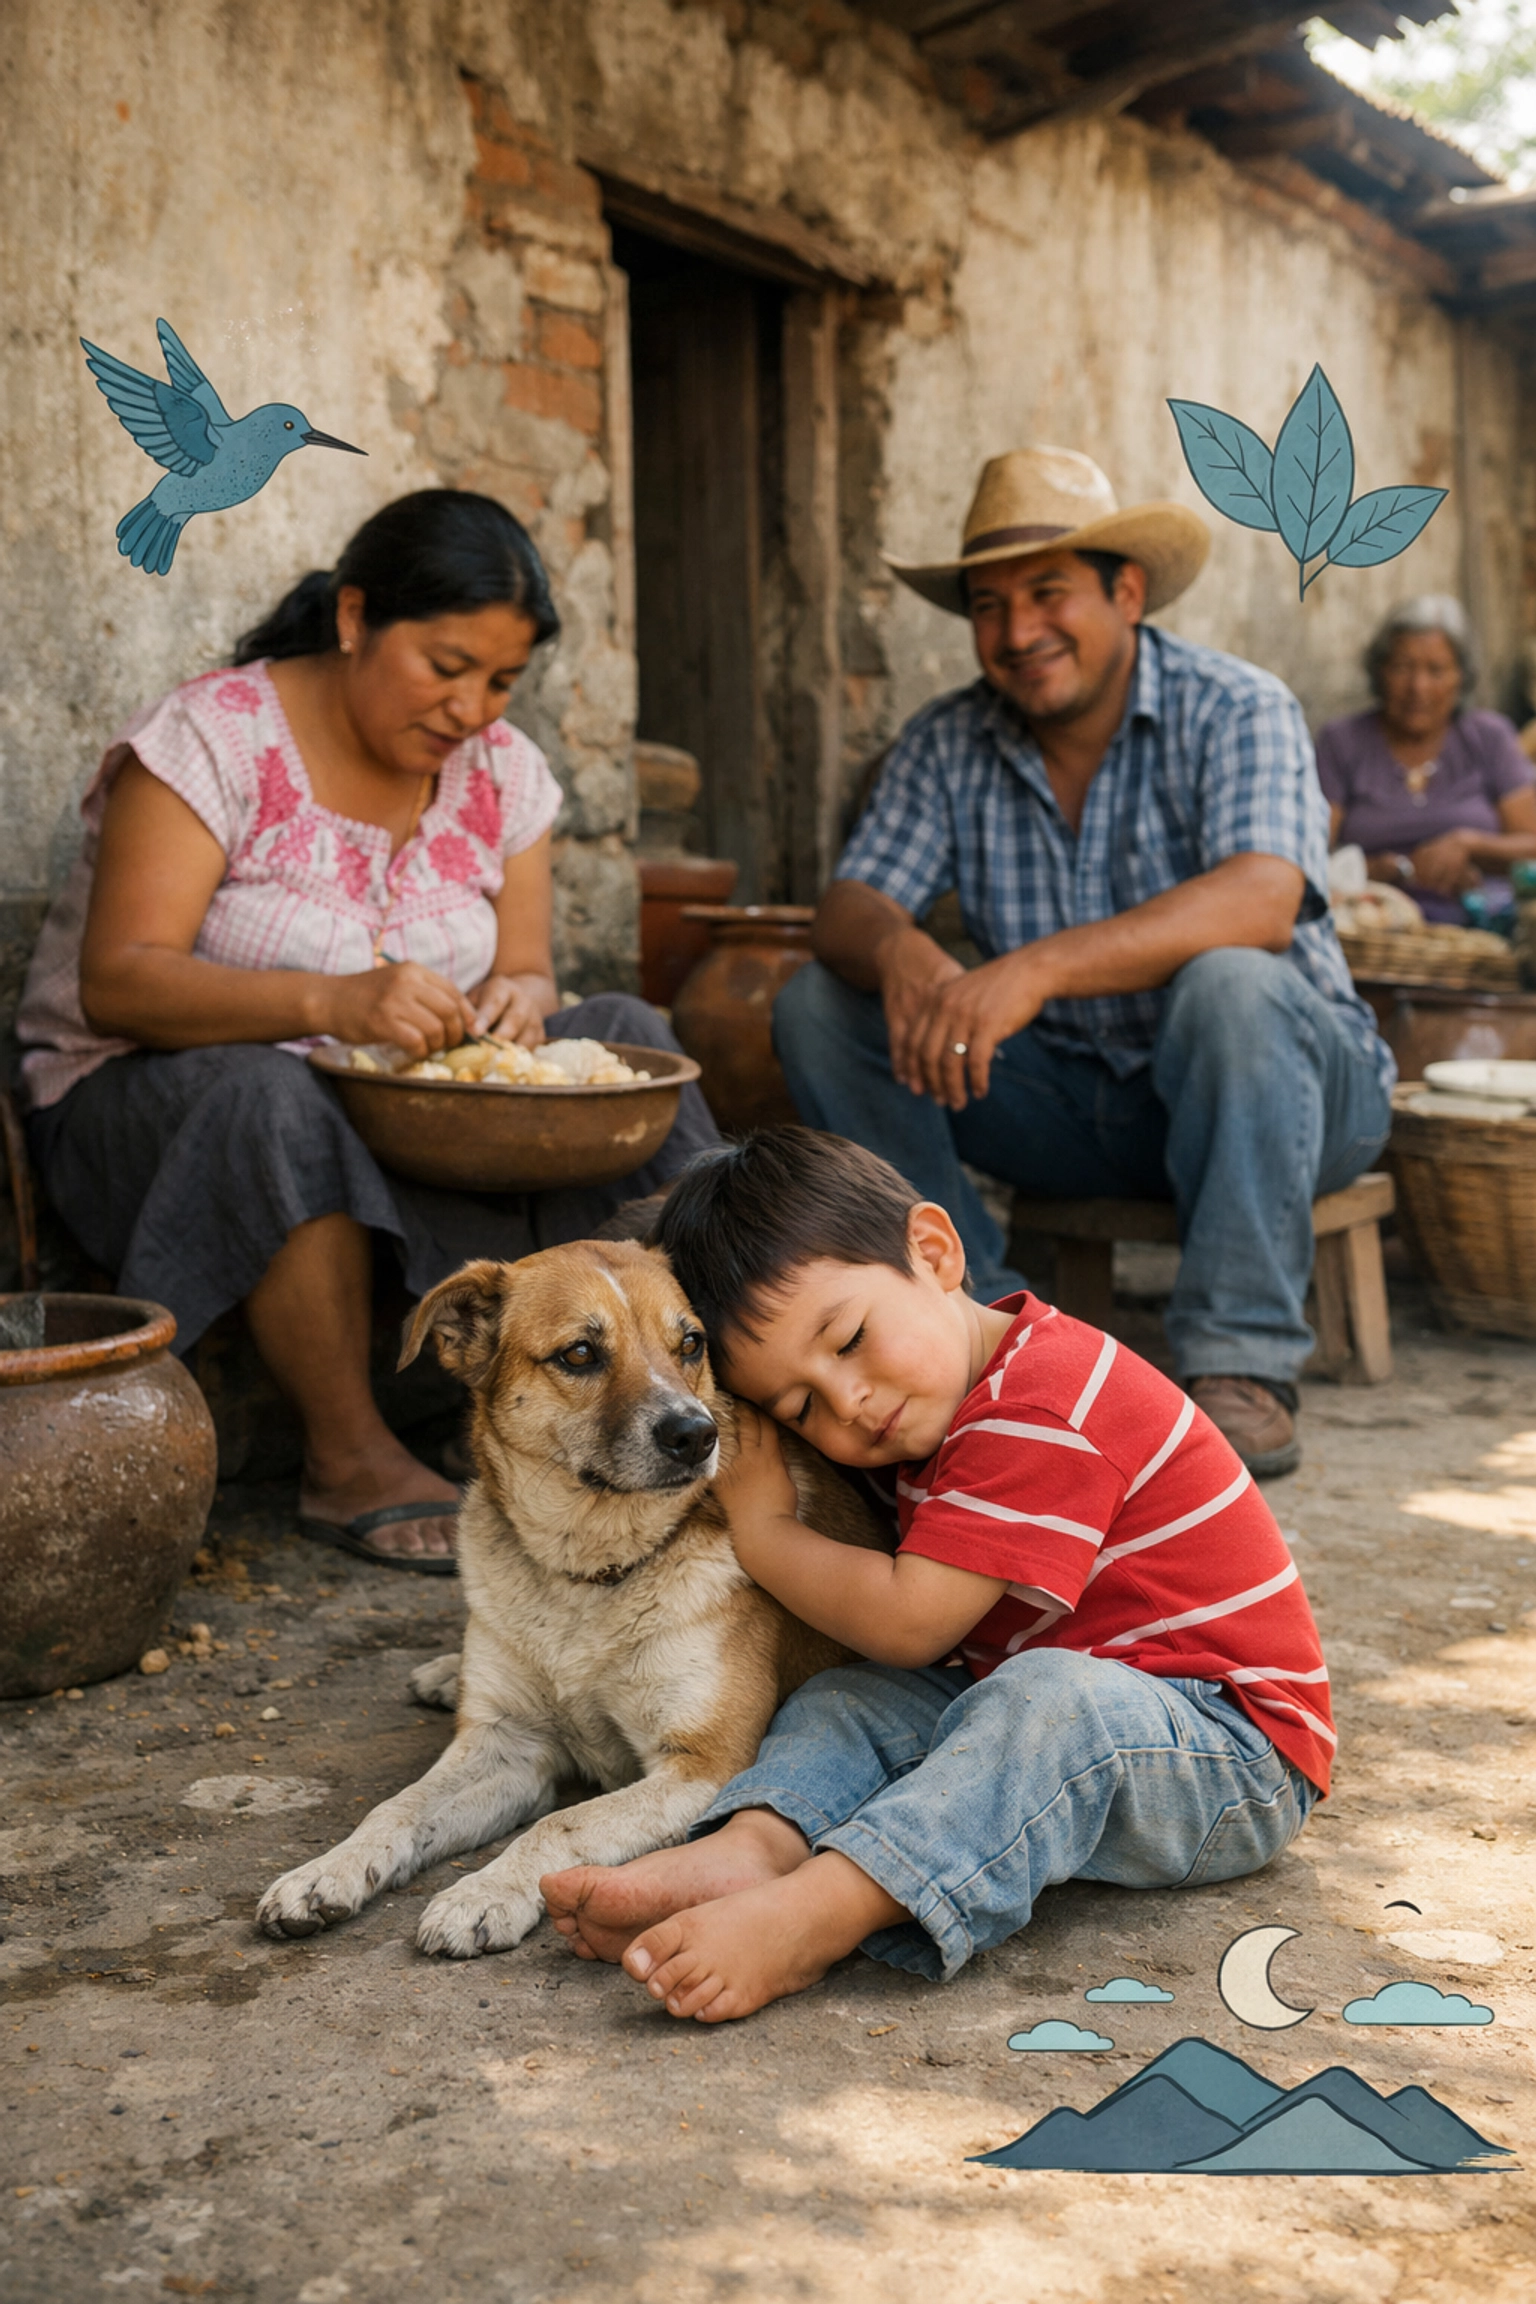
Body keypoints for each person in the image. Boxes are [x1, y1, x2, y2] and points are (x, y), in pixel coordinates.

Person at [17, 490, 718, 1570]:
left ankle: (721, 1383)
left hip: (404, 1110)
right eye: (446, 666)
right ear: (354, 618)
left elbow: (529, 964)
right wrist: (332, 1001)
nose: (472, 708)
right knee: (270, 1091)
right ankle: (348, 1454)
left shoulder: (500, 775)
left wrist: (521, 999)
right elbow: (118, 982)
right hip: (157, 1108)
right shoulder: (212, 738)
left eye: (500, 681)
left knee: (624, 1030)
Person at [540, 1129, 1328, 2023]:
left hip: (1228, 1751)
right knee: (854, 1695)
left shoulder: (1044, 1405)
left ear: (935, 1252)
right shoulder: (934, 1396)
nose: (850, 1405)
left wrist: (762, 1530)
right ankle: (758, 1843)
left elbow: (912, 1622)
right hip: (1018, 1693)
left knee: (1048, 1700)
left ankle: (822, 1911)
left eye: (849, 1341)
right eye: (800, 1407)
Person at [770, 447, 1395, 1478]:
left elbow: (1264, 899)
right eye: (988, 605)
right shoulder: (948, 741)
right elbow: (850, 902)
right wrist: (904, 949)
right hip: (1073, 1106)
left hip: (1287, 1103)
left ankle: (1239, 1362)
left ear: (1128, 592)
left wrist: (1035, 969)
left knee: (1232, 982)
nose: (1017, 634)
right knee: (820, 1005)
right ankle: (988, 1331)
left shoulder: (1237, 705)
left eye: (1049, 593)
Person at [1316, 596, 1536, 924]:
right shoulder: (1342, 742)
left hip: (1482, 925)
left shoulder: (1489, 737)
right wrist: (1374, 871)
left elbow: (1531, 844)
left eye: (1436, 670)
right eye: (1403, 667)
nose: (1418, 687)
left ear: (1461, 677)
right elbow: (1310, 850)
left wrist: (1470, 845)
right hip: (1371, 922)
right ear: (1379, 672)